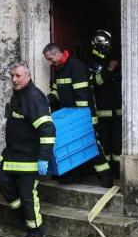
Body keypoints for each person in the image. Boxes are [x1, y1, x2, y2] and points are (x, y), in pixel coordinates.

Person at [0, 62, 56, 237]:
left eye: (18, 76)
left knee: (27, 194)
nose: (14, 79)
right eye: (12, 75)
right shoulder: (19, 94)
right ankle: (23, 215)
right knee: (1, 179)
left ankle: (36, 231)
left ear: (28, 76)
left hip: (29, 158)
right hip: (13, 154)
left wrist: (43, 158)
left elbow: (47, 129)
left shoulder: (33, 97)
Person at [43, 43, 113, 187]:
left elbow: (82, 97)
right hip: (70, 117)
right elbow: (56, 92)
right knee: (72, 147)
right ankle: (73, 177)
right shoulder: (60, 69)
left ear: (58, 53)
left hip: (83, 116)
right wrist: (44, 102)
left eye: (50, 59)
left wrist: (80, 119)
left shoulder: (76, 67)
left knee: (91, 145)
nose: (50, 63)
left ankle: (106, 176)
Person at [89, 30, 122, 178]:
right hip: (102, 113)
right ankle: (106, 173)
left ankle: (118, 172)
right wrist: (109, 70)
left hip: (118, 113)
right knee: (105, 145)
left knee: (118, 146)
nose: (107, 48)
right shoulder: (90, 63)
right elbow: (94, 82)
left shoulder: (115, 59)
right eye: (105, 45)